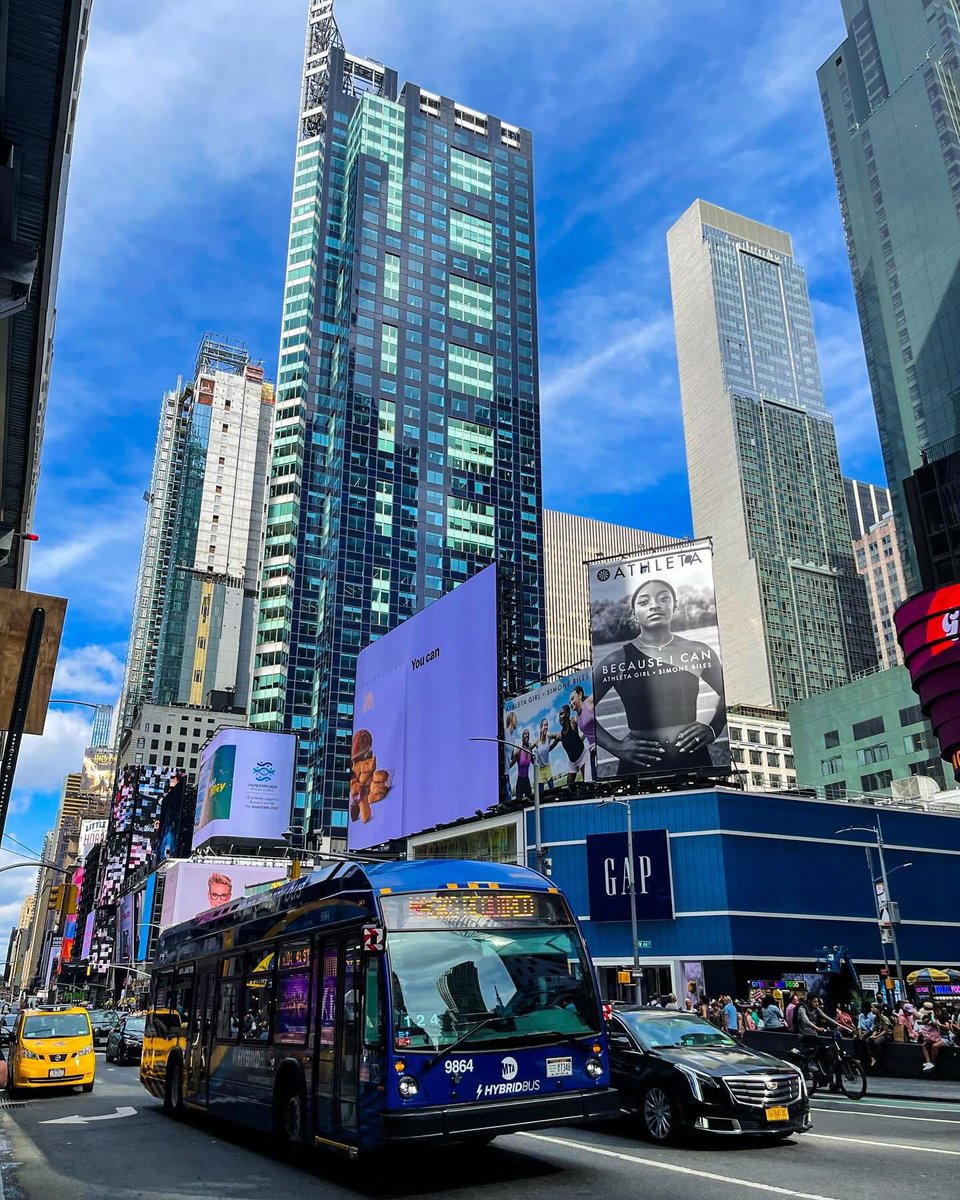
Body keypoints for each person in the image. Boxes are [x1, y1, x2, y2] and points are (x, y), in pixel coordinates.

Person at [593, 579, 727, 775]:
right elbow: (582, 713)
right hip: (640, 763)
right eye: (644, 602)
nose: (655, 605)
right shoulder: (616, 660)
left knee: (701, 806)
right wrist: (615, 746)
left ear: (675, 606)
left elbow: (727, 692)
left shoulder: (698, 651)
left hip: (693, 757)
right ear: (634, 615)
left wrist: (714, 728)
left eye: (663, 598)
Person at [549, 705, 592, 784]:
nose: (560, 717)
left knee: (587, 782)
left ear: (568, 714)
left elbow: (585, 722)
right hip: (572, 762)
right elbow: (550, 748)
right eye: (559, 715)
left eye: (562, 714)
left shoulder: (573, 723)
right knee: (569, 785)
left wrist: (584, 735)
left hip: (582, 757)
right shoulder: (560, 735)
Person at [569, 685, 598, 780]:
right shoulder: (576, 719)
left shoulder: (589, 702)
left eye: (573, 699)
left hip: (602, 744)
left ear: (580, 695)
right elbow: (585, 733)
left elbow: (601, 689)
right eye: (570, 702)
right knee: (591, 779)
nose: (571, 703)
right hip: (592, 750)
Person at [918, 1003, 945, 1071]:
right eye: (934, 1011)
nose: (936, 1013)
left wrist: (939, 1024)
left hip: (942, 1037)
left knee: (934, 1046)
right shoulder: (930, 1017)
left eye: (937, 1011)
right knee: (924, 1045)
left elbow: (947, 1027)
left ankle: (933, 1063)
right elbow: (924, 1022)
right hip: (933, 1036)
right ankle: (928, 1062)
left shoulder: (944, 1018)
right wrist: (929, 1018)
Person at [510, 730, 535, 802]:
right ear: (522, 738)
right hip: (520, 780)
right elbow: (510, 765)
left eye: (528, 734)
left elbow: (535, 763)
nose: (527, 735)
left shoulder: (530, 751)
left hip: (527, 780)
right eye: (525, 734)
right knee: (519, 802)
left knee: (530, 801)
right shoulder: (519, 751)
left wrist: (533, 753)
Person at [533, 719, 554, 792]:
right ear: (540, 728)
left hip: (547, 767)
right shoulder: (537, 742)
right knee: (540, 792)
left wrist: (552, 747)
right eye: (545, 725)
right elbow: (528, 750)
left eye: (547, 725)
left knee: (552, 789)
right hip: (540, 769)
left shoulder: (549, 736)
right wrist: (534, 760)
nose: (546, 727)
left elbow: (558, 736)